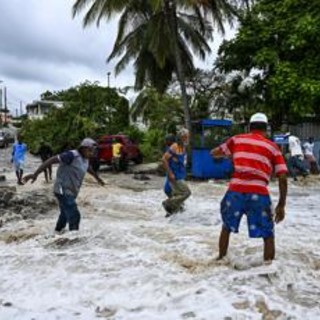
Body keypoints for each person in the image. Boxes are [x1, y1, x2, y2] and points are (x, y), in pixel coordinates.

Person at [211, 113, 288, 262]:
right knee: (267, 233)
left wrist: (230, 155)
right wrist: (281, 205)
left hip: (235, 192)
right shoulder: (273, 147)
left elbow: (214, 153)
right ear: (266, 129)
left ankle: (220, 259)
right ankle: (269, 269)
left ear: (249, 127)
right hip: (259, 193)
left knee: (226, 227)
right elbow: (283, 177)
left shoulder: (237, 139)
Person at [23, 138, 105, 233]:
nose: (92, 153)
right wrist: (35, 174)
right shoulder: (71, 155)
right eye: (90, 150)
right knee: (74, 214)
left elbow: (88, 168)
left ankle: (57, 233)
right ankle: (74, 239)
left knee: (65, 214)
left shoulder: (85, 159)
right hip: (61, 189)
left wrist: (98, 179)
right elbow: (51, 160)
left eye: (94, 151)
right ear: (83, 148)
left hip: (72, 190)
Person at [162, 128, 191, 217]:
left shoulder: (182, 148)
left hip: (180, 175)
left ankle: (170, 218)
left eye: (187, 137)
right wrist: (170, 173)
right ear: (181, 137)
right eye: (185, 137)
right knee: (187, 193)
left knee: (179, 207)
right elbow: (164, 159)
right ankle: (168, 203)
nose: (187, 139)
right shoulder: (175, 146)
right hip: (175, 176)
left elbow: (180, 162)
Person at [163, 134, 176, 198]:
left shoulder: (175, 148)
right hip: (169, 171)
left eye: (166, 140)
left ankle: (177, 203)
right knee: (167, 189)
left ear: (171, 141)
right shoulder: (168, 147)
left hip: (174, 172)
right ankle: (175, 203)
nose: (165, 142)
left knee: (168, 189)